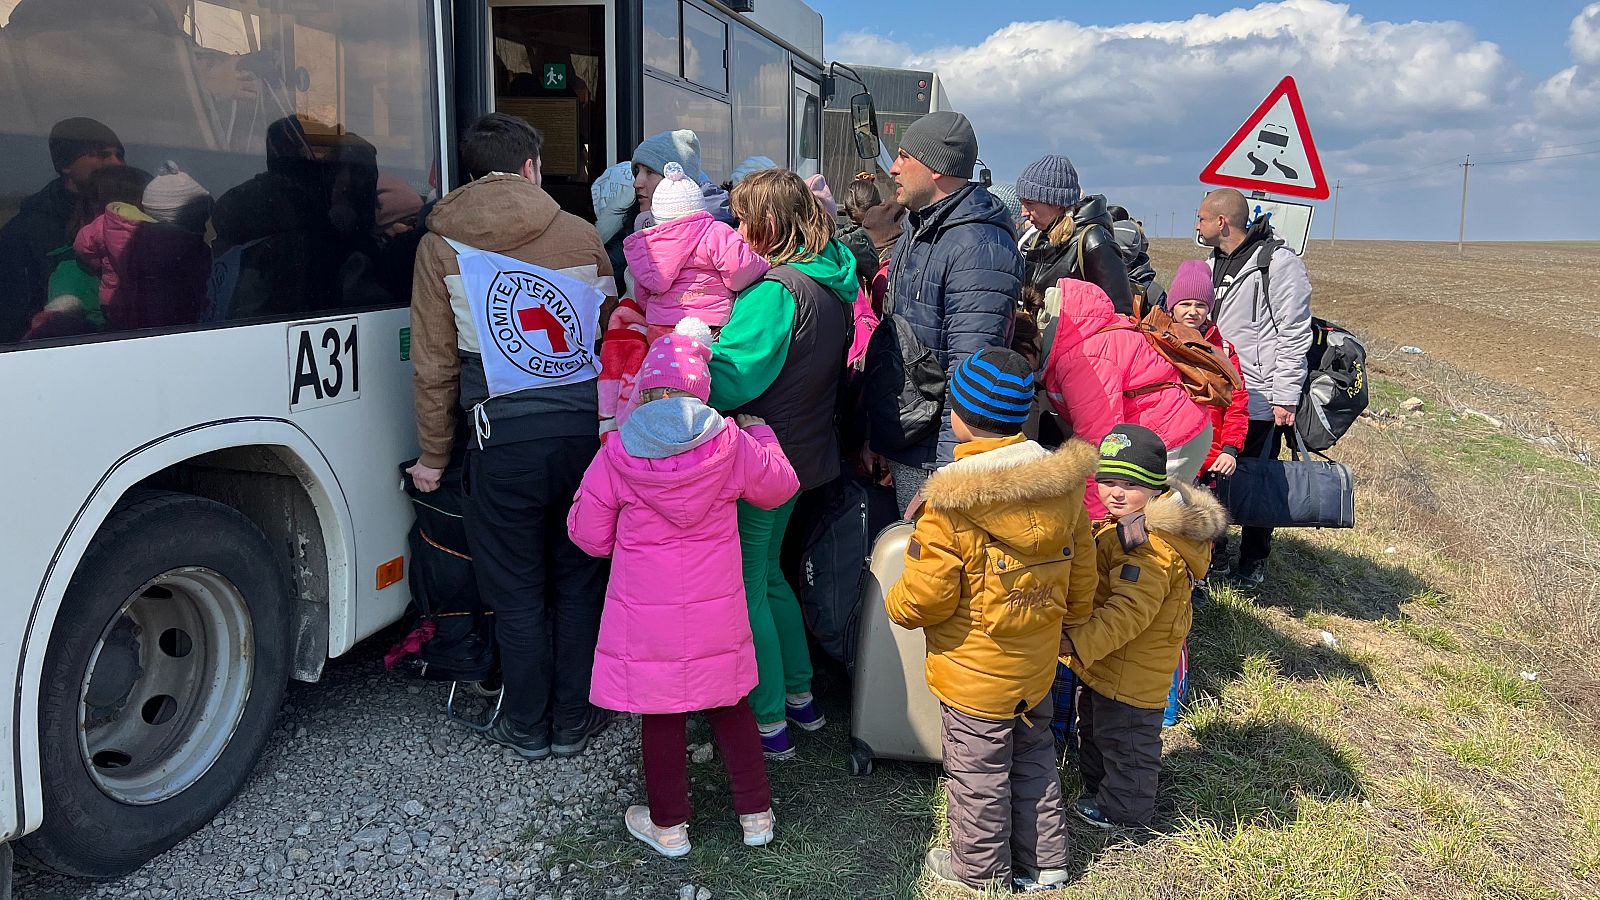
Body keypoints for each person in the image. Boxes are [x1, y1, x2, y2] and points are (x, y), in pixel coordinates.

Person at [406, 113, 617, 760]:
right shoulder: (582, 235)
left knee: (517, 590)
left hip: (500, 442)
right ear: (531, 166)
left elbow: (436, 365)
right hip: (582, 437)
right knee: (578, 582)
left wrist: (434, 458)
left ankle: (528, 726)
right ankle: (575, 721)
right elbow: (613, 337)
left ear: (471, 171)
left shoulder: (438, 245)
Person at [567, 319, 797, 859]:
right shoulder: (730, 443)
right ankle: (756, 816)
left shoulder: (618, 451)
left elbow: (589, 536)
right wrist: (762, 433)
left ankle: (669, 827)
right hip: (716, 607)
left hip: (647, 616)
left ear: (646, 389)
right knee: (731, 701)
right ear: (701, 390)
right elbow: (780, 487)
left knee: (661, 712)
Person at [884, 348, 1098, 892]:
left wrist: (896, 603)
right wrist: (1068, 624)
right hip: (1036, 665)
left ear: (959, 415)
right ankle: (1047, 862)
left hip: (974, 675)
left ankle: (978, 870)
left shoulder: (952, 503)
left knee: (977, 776)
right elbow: (1082, 574)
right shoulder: (1062, 488)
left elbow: (926, 597)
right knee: (1034, 758)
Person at [707, 168, 854, 759]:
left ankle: (766, 722)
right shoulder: (830, 282)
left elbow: (730, 377)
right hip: (802, 454)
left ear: (768, 223)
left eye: (744, 219)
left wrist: (684, 359)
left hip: (759, 458)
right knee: (769, 577)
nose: (737, 230)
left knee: (746, 585)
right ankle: (800, 697)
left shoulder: (775, 290)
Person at [1063, 424, 1226, 829]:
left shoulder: (1150, 547)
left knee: (1128, 743)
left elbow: (1128, 612)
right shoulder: (1127, 524)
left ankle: (1126, 812)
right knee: (1098, 729)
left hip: (1131, 671)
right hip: (1109, 662)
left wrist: (1077, 644)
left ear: (1154, 488)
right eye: (1107, 481)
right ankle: (1098, 791)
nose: (1115, 493)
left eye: (1129, 485)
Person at [872, 110, 1021, 511]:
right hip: (907, 441)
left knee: (927, 567)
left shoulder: (977, 246)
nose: (894, 168)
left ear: (937, 168)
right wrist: (878, 438)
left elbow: (970, 371)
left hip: (934, 457)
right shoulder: (920, 227)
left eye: (904, 156)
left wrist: (946, 473)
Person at [1197, 188, 1313, 587]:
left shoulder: (1278, 264)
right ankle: (1219, 553)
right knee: (1217, 475)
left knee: (1259, 477)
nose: (1196, 225)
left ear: (1221, 222)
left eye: (1201, 218)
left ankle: (1254, 560)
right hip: (1221, 391)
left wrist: (1285, 395)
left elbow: (1295, 333)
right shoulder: (1212, 262)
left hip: (1261, 396)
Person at [600, 163, 769, 428]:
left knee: (665, 386)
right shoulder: (715, 233)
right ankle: (703, 433)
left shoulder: (647, 243)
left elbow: (643, 293)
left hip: (659, 331)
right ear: (697, 207)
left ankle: (634, 427)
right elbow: (739, 273)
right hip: (711, 327)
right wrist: (763, 265)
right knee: (701, 390)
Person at [1042, 279, 1212, 517]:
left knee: (1153, 521)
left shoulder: (1084, 358)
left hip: (1172, 436)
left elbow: (1099, 445)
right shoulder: (1092, 331)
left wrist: (1095, 522)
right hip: (1168, 427)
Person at [0, 117, 125, 342]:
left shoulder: (131, 219)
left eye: (119, 154)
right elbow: (12, 322)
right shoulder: (23, 234)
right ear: (65, 164)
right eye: (102, 154)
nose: (117, 163)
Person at [1015, 155, 1134, 318]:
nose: (1023, 212)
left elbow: (1120, 314)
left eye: (1030, 204)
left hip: (1083, 343)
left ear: (1056, 203)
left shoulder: (1094, 242)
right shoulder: (1036, 240)